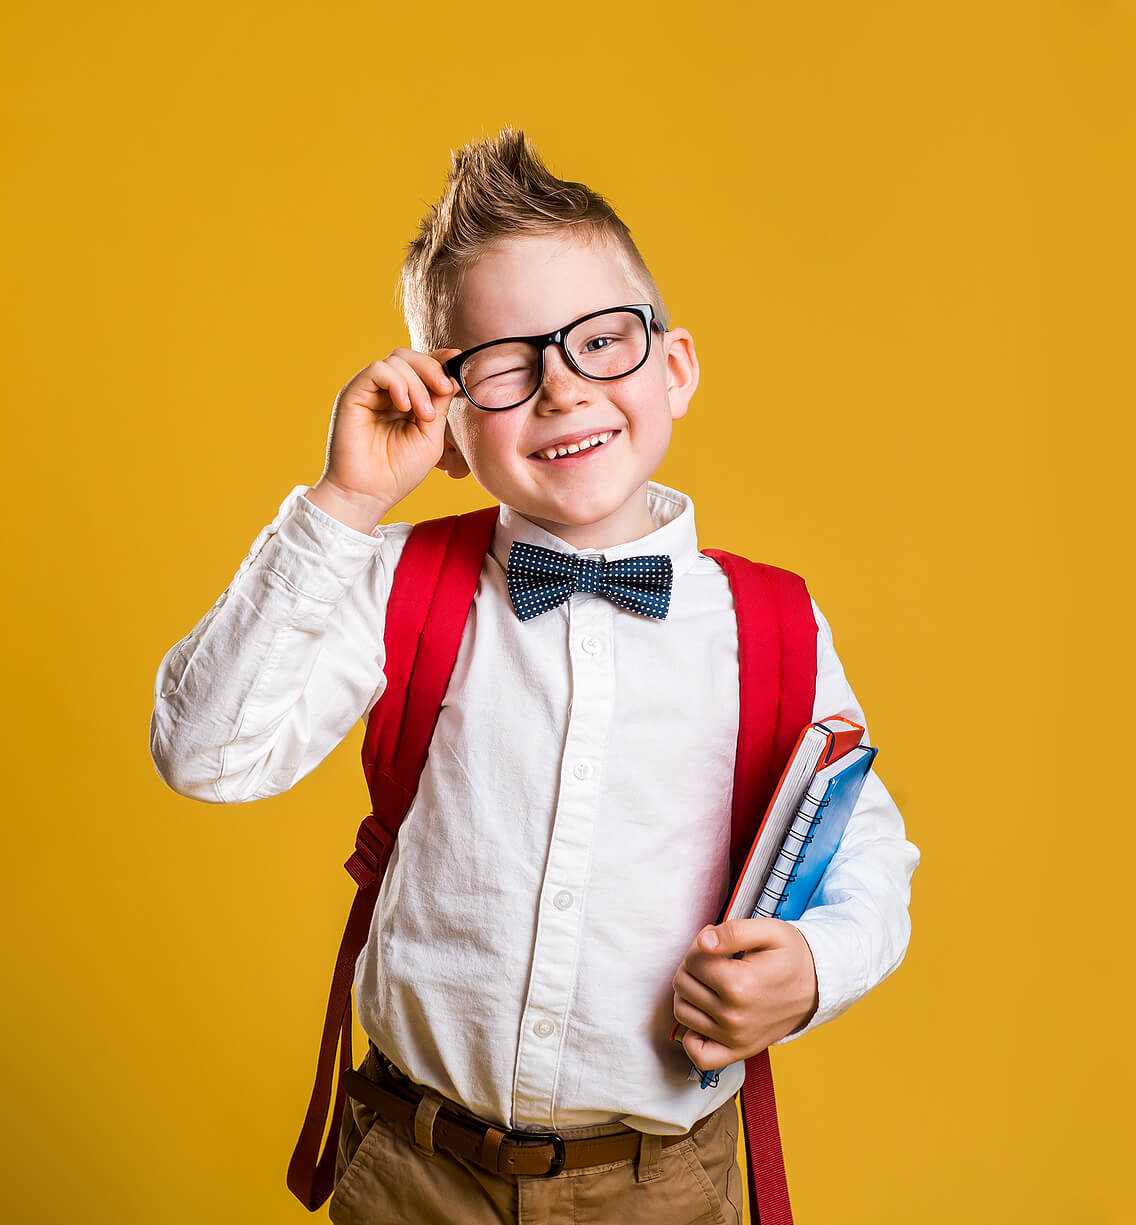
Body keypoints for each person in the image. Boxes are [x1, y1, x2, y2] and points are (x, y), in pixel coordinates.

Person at [148, 125, 921, 1224]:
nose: (561, 387)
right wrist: (343, 505)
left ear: (675, 365)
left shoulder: (770, 623)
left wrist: (812, 965)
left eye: (600, 340)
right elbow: (204, 753)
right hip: (414, 1168)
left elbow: (870, 854)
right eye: (504, 366)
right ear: (448, 425)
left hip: (661, 1180)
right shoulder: (390, 581)